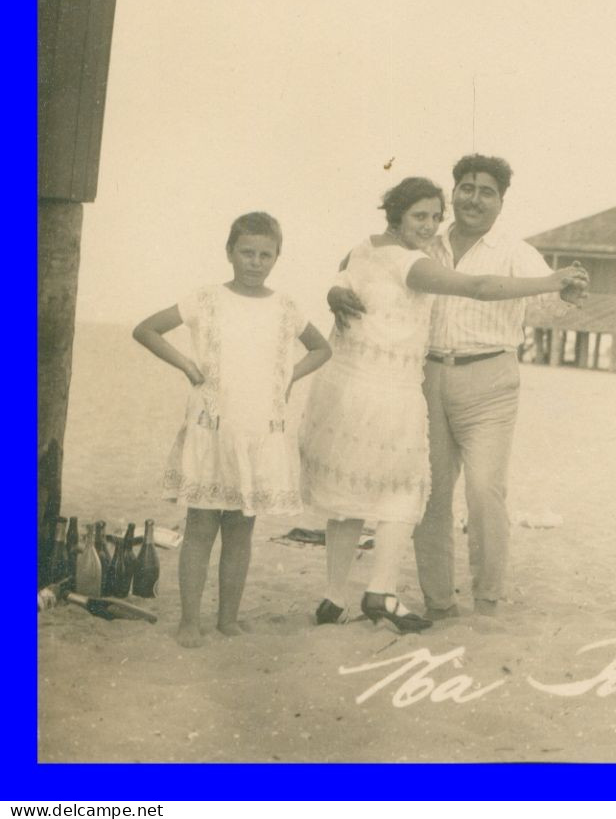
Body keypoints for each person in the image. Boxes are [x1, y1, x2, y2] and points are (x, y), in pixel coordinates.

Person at [327, 159, 587, 622]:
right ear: (454, 193)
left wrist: (564, 293)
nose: (473, 198)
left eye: (486, 191)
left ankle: (486, 599)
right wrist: (334, 290)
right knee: (431, 494)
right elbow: (364, 263)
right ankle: (440, 601)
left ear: (501, 201)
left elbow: (548, 302)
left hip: (490, 378)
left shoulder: (516, 250)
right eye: (466, 188)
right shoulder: (427, 241)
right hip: (426, 376)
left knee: (486, 492)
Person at [133, 212, 332, 647]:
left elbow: (321, 347)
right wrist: (187, 365)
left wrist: (290, 376)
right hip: (212, 427)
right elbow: (146, 329)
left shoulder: (286, 306)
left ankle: (227, 618)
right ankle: (189, 620)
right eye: (247, 252)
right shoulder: (205, 299)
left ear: (277, 257)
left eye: (266, 254)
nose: (256, 262)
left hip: (260, 430)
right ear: (229, 251)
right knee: (201, 527)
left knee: (242, 529)